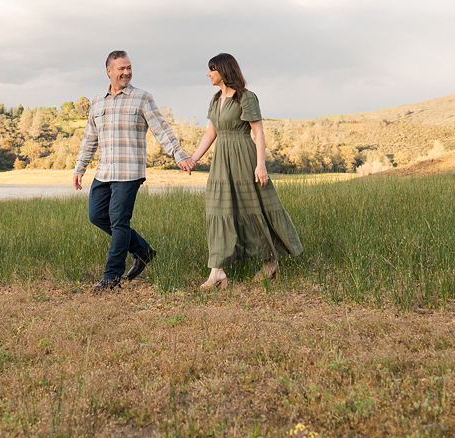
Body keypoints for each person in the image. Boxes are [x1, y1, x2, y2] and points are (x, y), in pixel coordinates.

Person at [74, 50, 194, 292]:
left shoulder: (142, 98)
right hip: (104, 171)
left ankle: (111, 278)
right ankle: (142, 250)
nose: (127, 72)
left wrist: (179, 154)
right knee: (96, 216)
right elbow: (89, 139)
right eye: (121, 68)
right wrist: (80, 167)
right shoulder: (97, 102)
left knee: (119, 222)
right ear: (109, 71)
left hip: (129, 172)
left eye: (129, 68)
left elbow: (161, 128)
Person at [184, 53, 302, 289]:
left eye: (212, 69)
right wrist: (194, 158)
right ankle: (216, 271)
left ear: (224, 71)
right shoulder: (215, 99)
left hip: (244, 157)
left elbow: (258, 133)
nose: (208, 74)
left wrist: (260, 164)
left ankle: (269, 261)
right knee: (217, 210)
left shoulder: (246, 98)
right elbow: (211, 133)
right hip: (221, 161)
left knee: (253, 208)